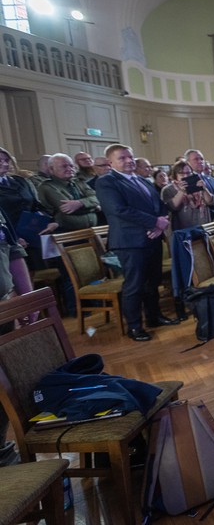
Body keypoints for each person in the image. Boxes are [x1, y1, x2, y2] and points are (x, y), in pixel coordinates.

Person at [94, 144, 180, 342]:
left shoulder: (143, 180)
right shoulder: (107, 182)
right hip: (130, 241)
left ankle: (154, 317)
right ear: (110, 162)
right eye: (122, 158)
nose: (128, 161)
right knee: (135, 285)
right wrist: (153, 222)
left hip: (152, 238)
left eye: (130, 157)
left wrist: (159, 225)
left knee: (153, 282)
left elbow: (158, 206)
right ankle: (134, 326)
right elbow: (118, 210)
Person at [0, 204, 35, 467]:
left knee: (4, 385)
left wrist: (27, 299)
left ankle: (1, 450)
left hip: (3, 307)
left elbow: (12, 249)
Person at [38, 154, 101, 232]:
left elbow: (98, 197)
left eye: (71, 166)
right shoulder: (47, 187)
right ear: (51, 169)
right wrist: (95, 207)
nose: (69, 169)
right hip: (67, 234)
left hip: (92, 231)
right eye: (64, 166)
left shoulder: (78, 182)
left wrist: (80, 203)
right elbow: (68, 209)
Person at [161, 160, 214, 230]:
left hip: (203, 227)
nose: (186, 176)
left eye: (188, 173)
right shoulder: (168, 189)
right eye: (182, 174)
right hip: (183, 230)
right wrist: (181, 191)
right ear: (175, 175)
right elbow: (172, 207)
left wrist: (204, 189)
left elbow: (211, 202)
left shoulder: (198, 184)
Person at [184, 149, 214, 215]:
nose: (200, 161)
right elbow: (196, 206)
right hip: (206, 220)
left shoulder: (211, 179)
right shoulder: (188, 181)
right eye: (196, 159)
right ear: (188, 162)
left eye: (201, 159)